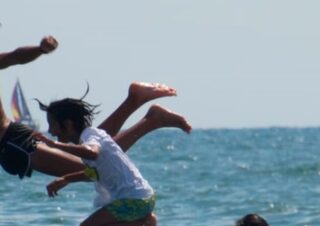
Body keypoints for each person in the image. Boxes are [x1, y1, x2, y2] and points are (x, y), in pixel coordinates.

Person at [0, 36, 191, 180]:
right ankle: (135, 102)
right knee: (93, 164)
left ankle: (150, 119)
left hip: (12, 141)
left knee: (96, 169)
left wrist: (40, 49)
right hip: (8, 147)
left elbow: (14, 56)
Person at [34, 96, 162, 226]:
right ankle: (142, 224)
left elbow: (93, 152)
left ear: (67, 124)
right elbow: (95, 173)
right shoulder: (90, 137)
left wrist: (55, 146)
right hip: (141, 199)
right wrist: (66, 179)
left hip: (135, 200)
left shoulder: (90, 136)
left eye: (52, 125)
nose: (50, 131)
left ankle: (142, 224)